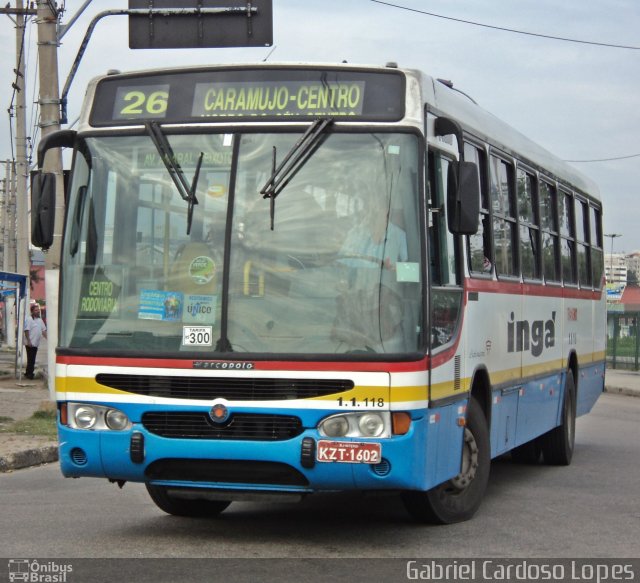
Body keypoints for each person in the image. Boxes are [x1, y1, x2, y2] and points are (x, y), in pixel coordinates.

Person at [24, 303, 47, 380]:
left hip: (36, 343)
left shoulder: (40, 320)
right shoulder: (29, 319)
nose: (38, 311)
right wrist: (28, 340)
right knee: (31, 359)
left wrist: (49, 340)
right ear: (32, 311)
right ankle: (29, 374)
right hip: (30, 343)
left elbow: (44, 331)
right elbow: (26, 330)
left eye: (38, 310)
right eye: (36, 310)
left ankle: (28, 373)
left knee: (32, 359)